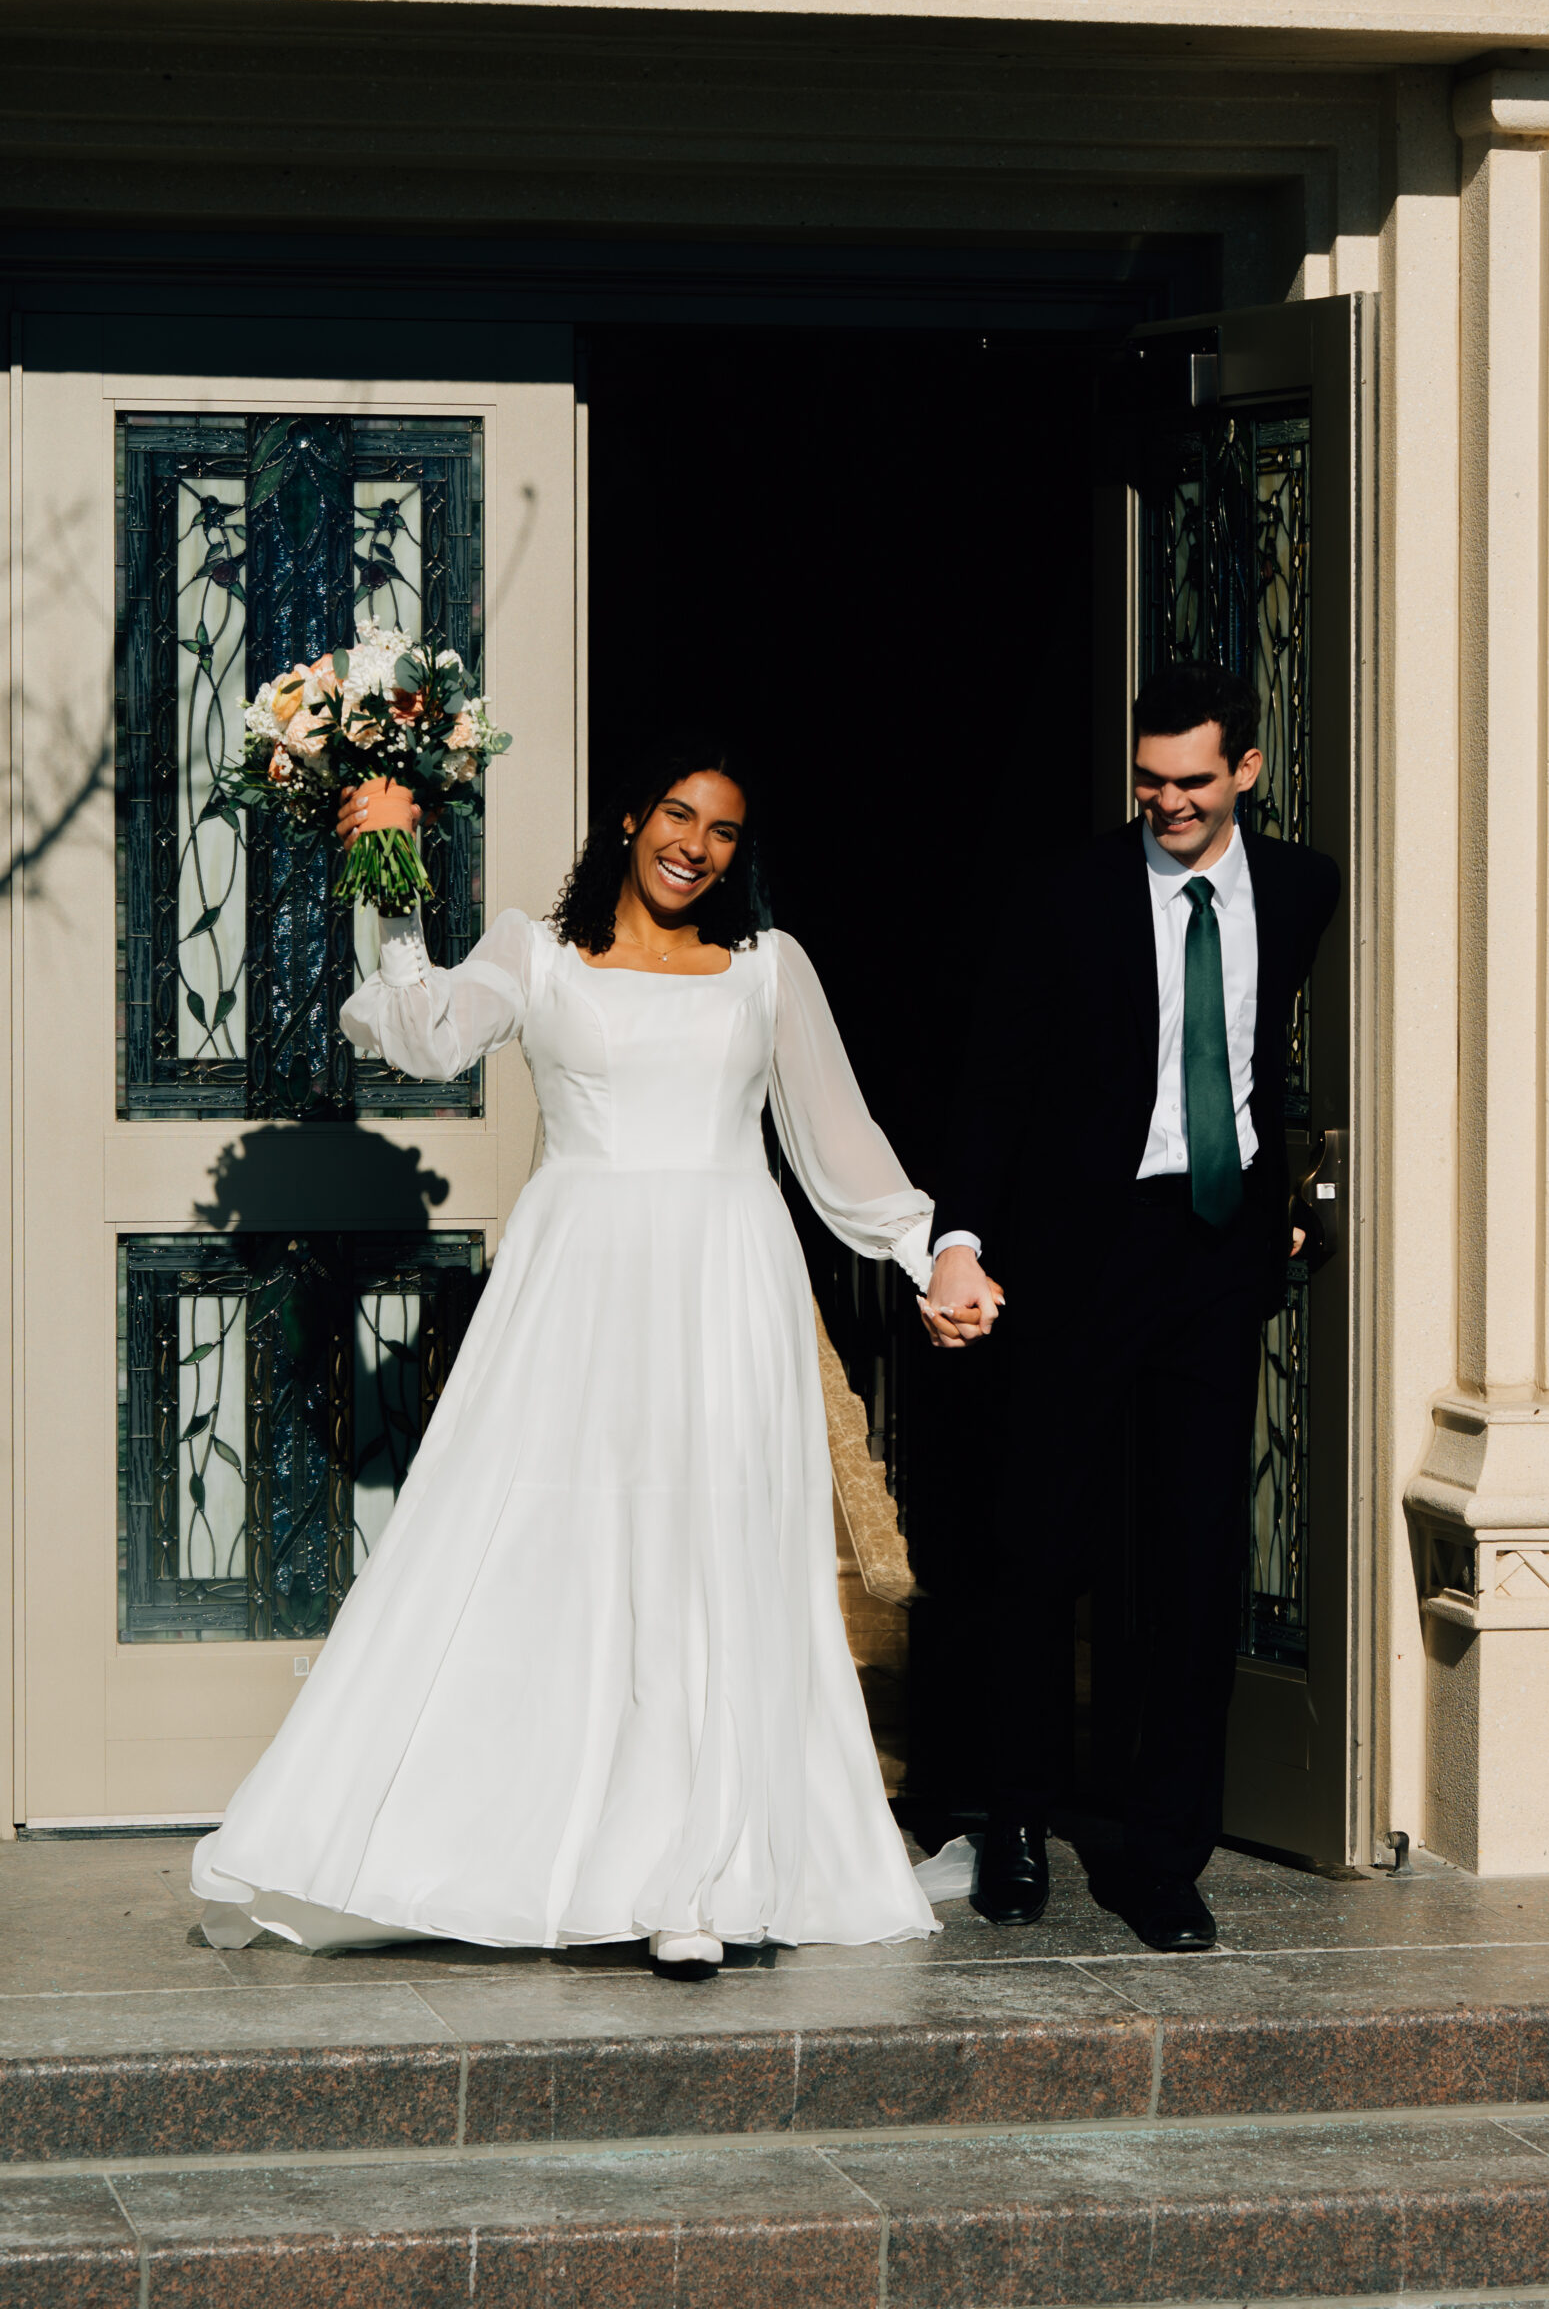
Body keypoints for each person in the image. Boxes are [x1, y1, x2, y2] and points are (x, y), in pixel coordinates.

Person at [192, 745, 940, 1967]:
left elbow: (837, 1142)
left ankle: (696, 1877)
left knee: (712, 1555)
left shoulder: (765, 972)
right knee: (557, 1544)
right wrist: (389, 871)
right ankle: (521, 1842)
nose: (696, 844)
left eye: (726, 830)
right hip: (579, 1285)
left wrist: (925, 1251)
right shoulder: (532, 954)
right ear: (631, 820)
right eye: (679, 816)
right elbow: (425, 1037)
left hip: (722, 1281)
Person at [919, 661, 1339, 1951]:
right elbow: (994, 1083)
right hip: (1075, 1255)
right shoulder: (1067, 896)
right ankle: (1020, 1823)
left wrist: (1289, 1192)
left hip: (1211, 1255)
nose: (1165, 802)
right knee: (1041, 1548)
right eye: (1147, 782)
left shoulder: (1303, 886)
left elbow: (1270, 1056)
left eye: (1191, 782)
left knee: (1193, 1556)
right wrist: (960, 1238)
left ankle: (1164, 1857)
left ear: (1245, 774)